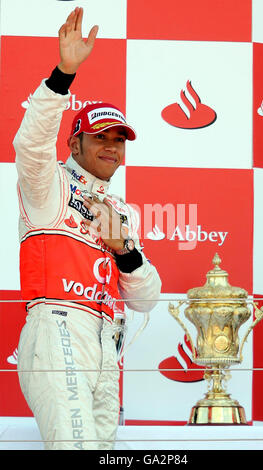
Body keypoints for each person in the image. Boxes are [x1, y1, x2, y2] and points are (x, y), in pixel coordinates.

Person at [14, 7, 161, 451]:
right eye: (101, 137)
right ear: (74, 142)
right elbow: (30, 144)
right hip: (58, 327)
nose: (112, 147)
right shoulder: (50, 184)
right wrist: (63, 73)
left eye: (119, 140)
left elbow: (147, 298)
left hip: (105, 345)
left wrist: (126, 252)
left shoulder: (120, 211)